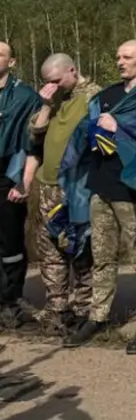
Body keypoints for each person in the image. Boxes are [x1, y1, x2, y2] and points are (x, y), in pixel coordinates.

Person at [65, 40, 136, 353]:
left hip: (133, 191)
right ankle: (98, 315)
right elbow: (86, 130)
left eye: (128, 57)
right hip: (102, 187)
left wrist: (119, 124)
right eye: (118, 57)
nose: (120, 62)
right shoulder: (105, 95)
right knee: (102, 255)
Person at [26, 54, 101, 332]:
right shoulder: (53, 98)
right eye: (48, 83)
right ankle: (57, 308)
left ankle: (85, 310)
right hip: (48, 186)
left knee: (82, 247)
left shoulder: (93, 96)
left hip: (78, 185)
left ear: (73, 70)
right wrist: (46, 105)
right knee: (50, 249)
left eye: (57, 81)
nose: (53, 87)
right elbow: (34, 133)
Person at [0, 42, 44, 327]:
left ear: (12, 62)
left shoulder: (25, 96)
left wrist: (25, 181)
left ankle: (10, 301)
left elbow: (34, 144)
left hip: (8, 176)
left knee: (11, 242)